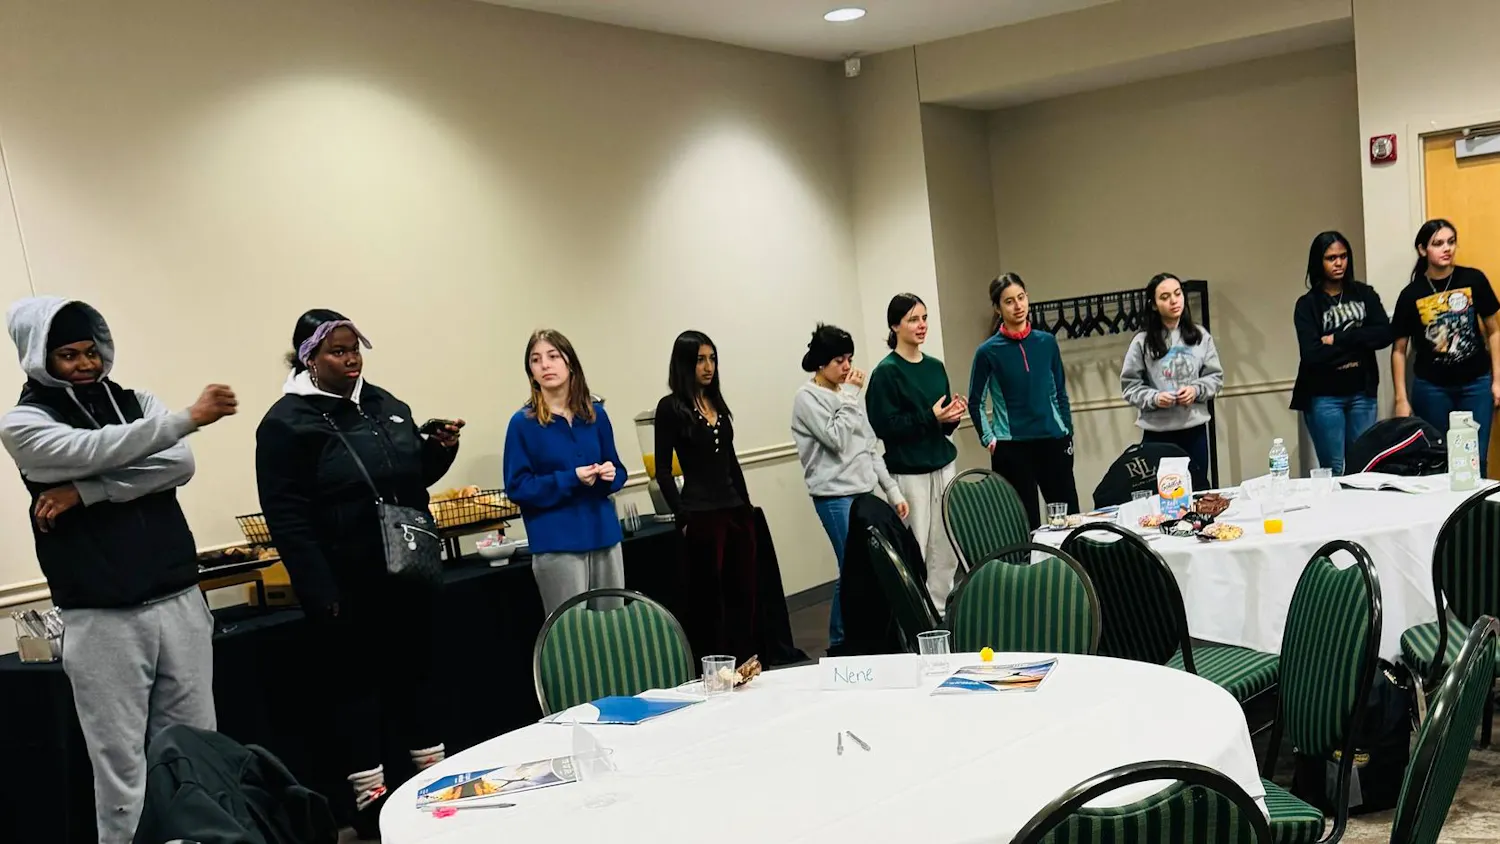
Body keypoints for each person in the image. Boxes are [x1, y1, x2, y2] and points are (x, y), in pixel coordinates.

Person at [0, 297, 237, 844]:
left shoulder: (136, 399)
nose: (85, 364)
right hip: (101, 614)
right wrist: (184, 421)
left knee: (195, 746)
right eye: (67, 355)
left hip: (178, 595)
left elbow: (180, 462)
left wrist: (89, 492)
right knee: (121, 765)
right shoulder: (23, 423)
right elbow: (89, 448)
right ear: (38, 357)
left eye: (91, 351)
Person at [254, 309, 463, 838]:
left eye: (355, 349)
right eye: (337, 352)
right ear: (309, 359)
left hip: (405, 573)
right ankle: (371, 804)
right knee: (357, 692)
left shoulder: (386, 405)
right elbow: (287, 518)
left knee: (419, 676)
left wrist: (438, 451)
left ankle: (433, 783)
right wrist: (318, 589)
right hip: (345, 584)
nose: (351, 360)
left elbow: (408, 478)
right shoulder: (285, 423)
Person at [790, 324, 907, 652]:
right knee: (851, 567)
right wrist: (852, 398)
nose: (847, 367)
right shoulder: (807, 397)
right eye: (839, 360)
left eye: (849, 359)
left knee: (869, 566)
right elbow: (836, 441)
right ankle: (840, 642)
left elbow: (869, 445)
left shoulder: (846, 395)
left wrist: (892, 491)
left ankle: (866, 635)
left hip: (863, 491)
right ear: (821, 363)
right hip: (834, 496)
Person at [504, 329, 627, 617]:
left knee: (613, 628)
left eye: (553, 356)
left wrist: (611, 474)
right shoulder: (522, 424)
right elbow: (518, 487)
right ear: (531, 373)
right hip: (557, 544)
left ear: (569, 363)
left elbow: (618, 470)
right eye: (536, 360)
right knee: (570, 636)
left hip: (604, 537)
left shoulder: (595, 415)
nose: (545, 365)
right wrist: (570, 479)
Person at [652, 330, 757, 661]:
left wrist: (747, 504)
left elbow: (731, 460)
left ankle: (748, 661)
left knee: (744, 592)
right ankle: (716, 664)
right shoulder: (670, 408)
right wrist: (681, 514)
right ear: (684, 364)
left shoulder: (717, 403)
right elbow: (663, 470)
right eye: (700, 360)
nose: (708, 367)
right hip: (700, 513)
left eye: (712, 359)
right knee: (711, 599)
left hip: (733, 510)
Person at [866, 293, 965, 615]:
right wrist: (930, 418)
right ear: (895, 326)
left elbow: (939, 425)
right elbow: (885, 427)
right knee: (917, 546)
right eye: (912, 319)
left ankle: (939, 612)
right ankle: (915, 616)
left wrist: (950, 418)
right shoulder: (887, 373)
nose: (921, 325)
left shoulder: (935, 367)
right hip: (910, 472)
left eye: (924, 318)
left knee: (947, 547)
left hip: (942, 464)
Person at [968, 273, 1078, 529]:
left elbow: (1060, 392)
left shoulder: (1046, 342)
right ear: (997, 307)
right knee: (1022, 524)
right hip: (1012, 448)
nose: (1018, 306)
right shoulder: (987, 352)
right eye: (1009, 301)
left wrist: (1067, 432)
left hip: (1053, 441)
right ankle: (1028, 569)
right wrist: (990, 441)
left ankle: (1070, 569)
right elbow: (975, 402)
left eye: (1021, 298)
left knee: (1068, 520)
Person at [1391, 219, 1500, 473]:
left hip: (1475, 382)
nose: (1446, 248)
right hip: (1431, 387)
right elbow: (1398, 349)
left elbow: (1494, 331)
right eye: (1438, 243)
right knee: (1439, 459)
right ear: (1422, 250)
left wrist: (1497, 379)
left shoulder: (1473, 279)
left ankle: (1475, 512)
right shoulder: (1411, 294)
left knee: (1476, 459)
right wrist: (1400, 398)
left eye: (1451, 242)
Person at [1290, 231, 1392, 475]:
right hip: (1325, 397)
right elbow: (1312, 354)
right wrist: (1360, 342)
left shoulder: (1364, 294)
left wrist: (1340, 338)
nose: (1339, 263)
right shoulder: (1308, 304)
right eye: (1331, 258)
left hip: (1362, 392)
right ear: (1319, 262)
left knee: (1364, 467)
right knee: (1334, 468)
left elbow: (1384, 335)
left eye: (1343, 256)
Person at [1120, 273, 1223, 490]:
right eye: (1165, 297)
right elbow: (1130, 386)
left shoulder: (1200, 336)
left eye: (1177, 294)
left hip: (1193, 429)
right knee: (1161, 496)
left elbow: (1215, 378)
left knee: (1197, 492)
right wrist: (1155, 398)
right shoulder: (1142, 342)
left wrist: (1196, 390)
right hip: (1157, 433)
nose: (1174, 301)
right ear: (1154, 305)